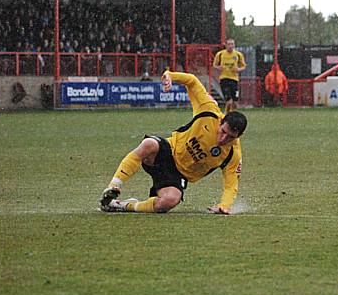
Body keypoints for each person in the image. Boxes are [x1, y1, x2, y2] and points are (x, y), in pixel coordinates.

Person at [99, 70, 247, 214]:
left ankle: (122, 206)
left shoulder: (233, 154)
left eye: (230, 137)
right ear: (221, 121)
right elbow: (192, 81)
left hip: (178, 175)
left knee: (169, 201)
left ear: (239, 136)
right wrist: (171, 75)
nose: (223, 139)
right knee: (149, 144)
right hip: (168, 150)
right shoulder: (209, 111)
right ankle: (114, 186)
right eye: (223, 132)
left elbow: (231, 184)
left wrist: (224, 205)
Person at [213, 38, 246, 113]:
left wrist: (238, 69)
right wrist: (219, 68)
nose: (230, 46)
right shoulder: (220, 54)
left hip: (234, 80)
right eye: (229, 44)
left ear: (234, 45)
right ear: (226, 45)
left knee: (235, 103)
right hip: (224, 79)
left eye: (232, 44)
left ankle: (232, 116)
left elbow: (243, 66)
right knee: (229, 101)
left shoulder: (238, 55)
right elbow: (214, 65)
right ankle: (227, 115)